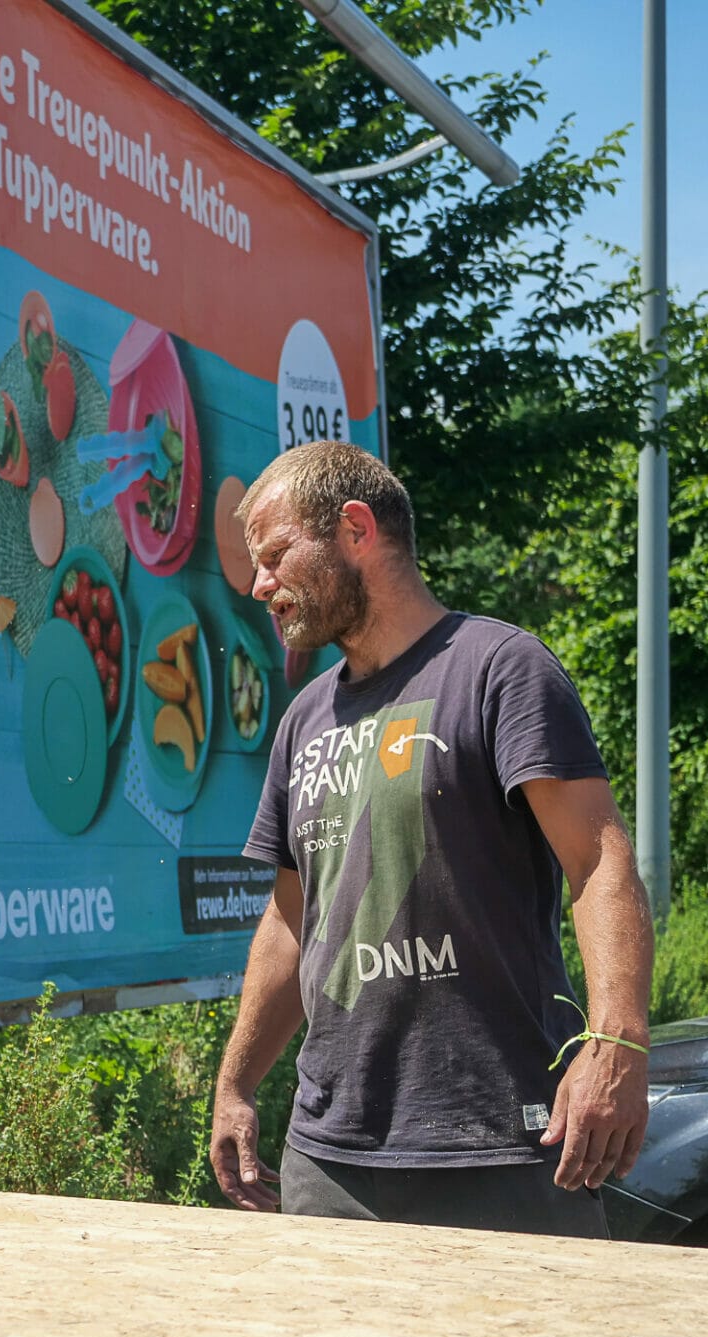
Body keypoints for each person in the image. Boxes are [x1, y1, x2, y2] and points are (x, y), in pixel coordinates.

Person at [210, 440, 652, 1235]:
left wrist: (617, 1043)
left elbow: (598, 861)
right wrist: (235, 1084)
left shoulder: (501, 669)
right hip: (330, 1161)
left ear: (355, 530)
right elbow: (290, 919)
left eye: (275, 556)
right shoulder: (304, 718)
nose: (259, 585)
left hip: (506, 1148)